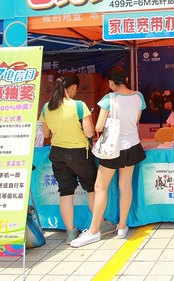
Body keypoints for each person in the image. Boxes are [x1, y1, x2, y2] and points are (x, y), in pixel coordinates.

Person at [71, 67, 146, 247]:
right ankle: (122, 227)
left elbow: (98, 127)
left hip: (113, 147)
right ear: (125, 80)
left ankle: (94, 230)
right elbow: (136, 120)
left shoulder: (109, 99)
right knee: (125, 185)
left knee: (100, 187)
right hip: (132, 145)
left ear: (111, 83)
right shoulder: (139, 97)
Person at [40, 73, 100, 244]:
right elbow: (89, 132)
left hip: (57, 153)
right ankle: (98, 225)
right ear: (73, 87)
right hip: (79, 153)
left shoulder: (46, 107)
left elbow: (46, 134)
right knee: (92, 188)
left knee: (65, 191)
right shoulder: (79, 106)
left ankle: (71, 232)